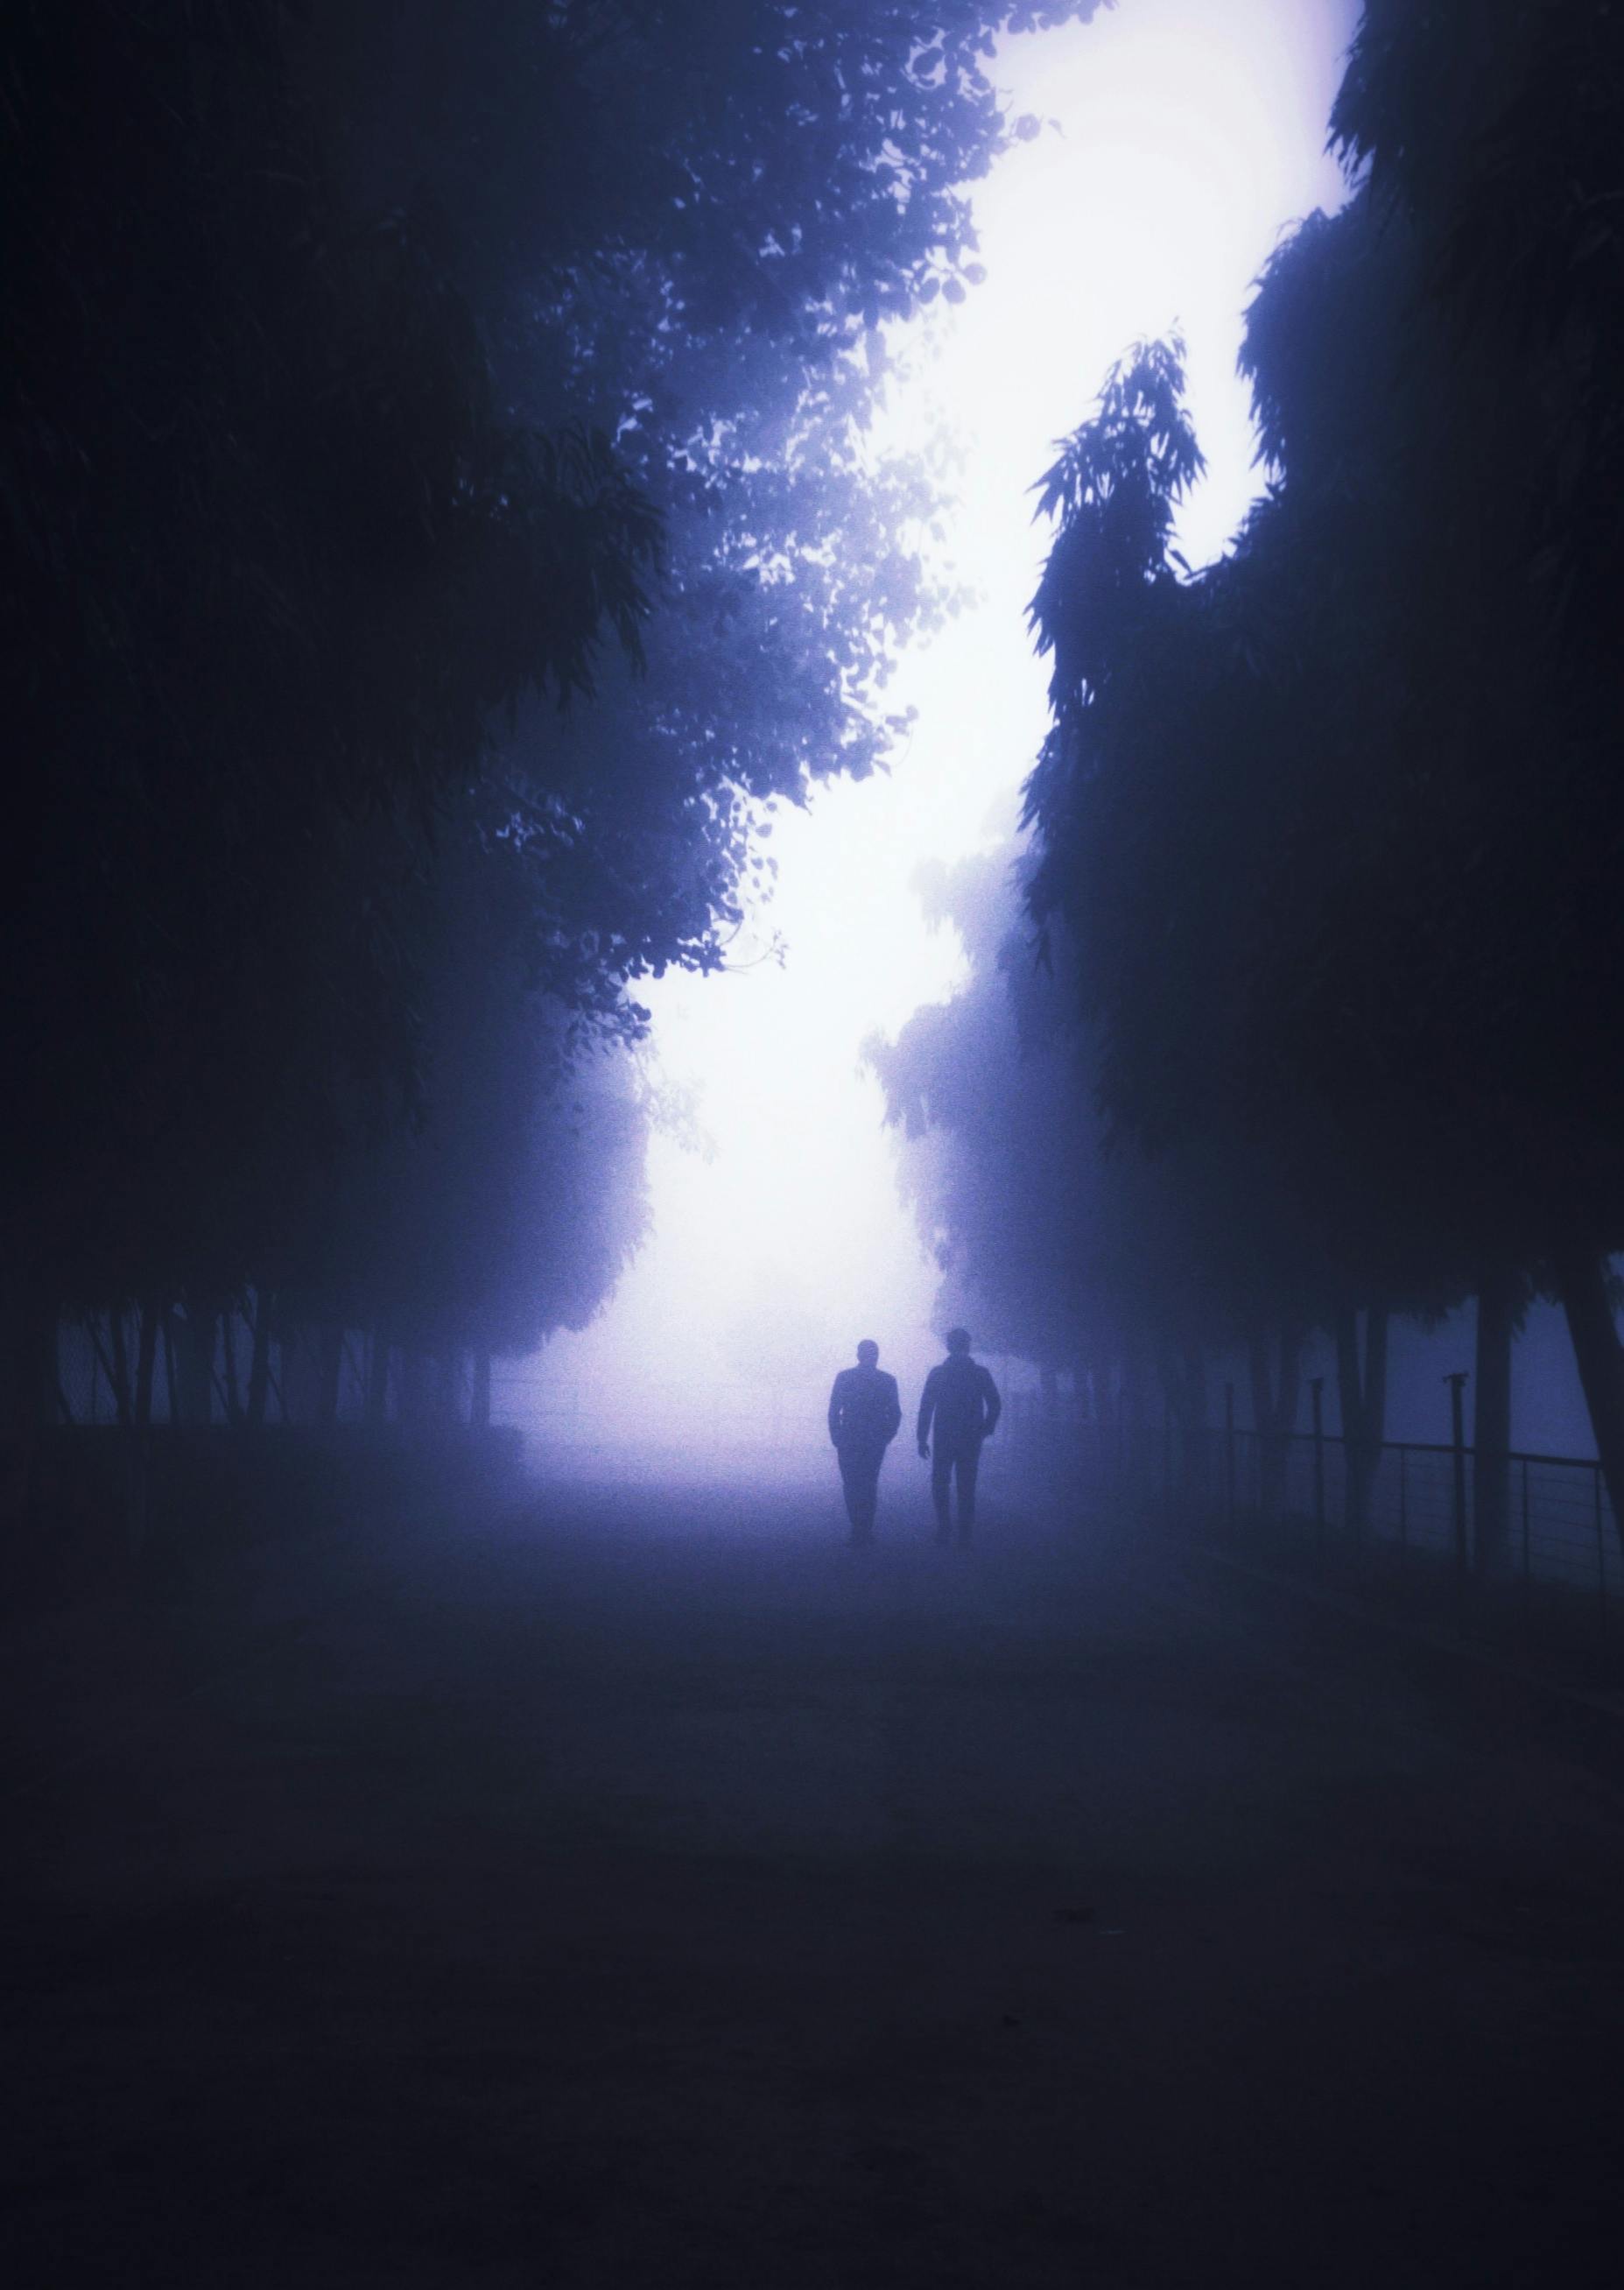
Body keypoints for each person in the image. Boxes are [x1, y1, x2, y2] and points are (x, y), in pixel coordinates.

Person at [917, 1328, 1002, 1545]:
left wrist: (921, 1438)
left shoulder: (938, 1373)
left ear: (948, 1346)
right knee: (967, 1484)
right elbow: (995, 1403)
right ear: (968, 1345)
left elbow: (927, 1407)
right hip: (971, 1437)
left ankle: (944, 1528)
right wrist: (986, 1429)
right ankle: (965, 1533)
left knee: (940, 1483)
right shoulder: (980, 1373)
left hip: (944, 1436)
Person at [827, 1340, 902, 1547]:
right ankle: (865, 1528)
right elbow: (895, 1414)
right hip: (873, 1440)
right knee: (869, 1484)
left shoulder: (844, 1378)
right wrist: (886, 1437)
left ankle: (857, 1528)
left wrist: (836, 1435)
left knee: (851, 1484)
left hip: (849, 1438)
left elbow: (834, 1410)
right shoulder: (887, 1380)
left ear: (858, 1355)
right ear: (876, 1355)